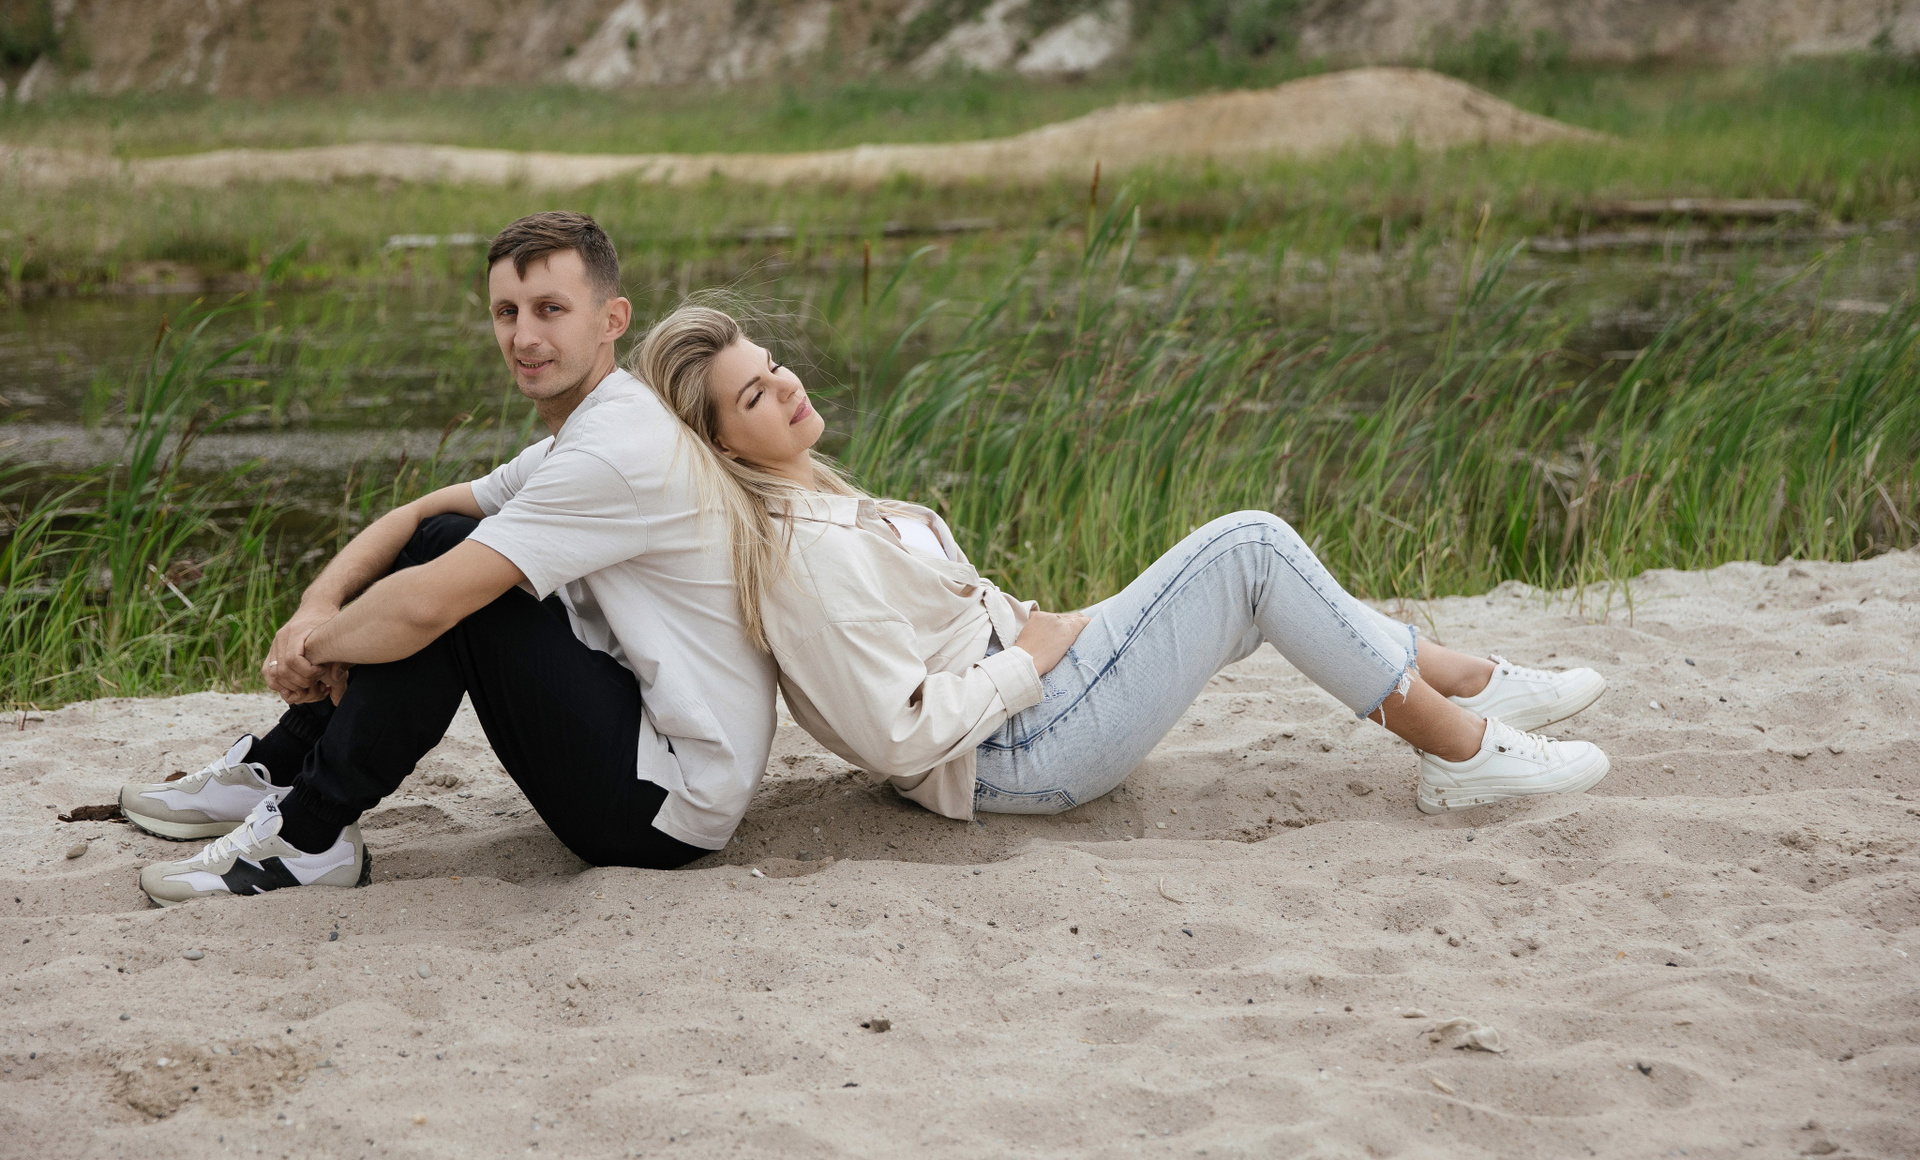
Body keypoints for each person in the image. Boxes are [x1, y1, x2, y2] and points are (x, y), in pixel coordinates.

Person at [631, 302, 1611, 824]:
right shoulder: (798, 554)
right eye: (752, 396)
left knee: (1251, 575)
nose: (785, 388)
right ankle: (1462, 753)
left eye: (773, 366)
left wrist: (1033, 640)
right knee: (1249, 545)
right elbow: (895, 735)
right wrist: (1030, 658)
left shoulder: (820, 497)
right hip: (1018, 750)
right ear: (720, 444)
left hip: (1030, 696)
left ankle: (1472, 685)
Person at [123, 214, 775, 906]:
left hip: (663, 808)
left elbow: (427, 605)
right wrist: (316, 610)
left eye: (551, 310)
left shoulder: (616, 450)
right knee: (444, 536)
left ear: (612, 319)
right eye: (507, 312)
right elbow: (417, 514)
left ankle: (309, 833)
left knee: (453, 587)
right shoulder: (598, 423)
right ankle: (280, 767)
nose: (524, 337)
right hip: (652, 746)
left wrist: (313, 650)